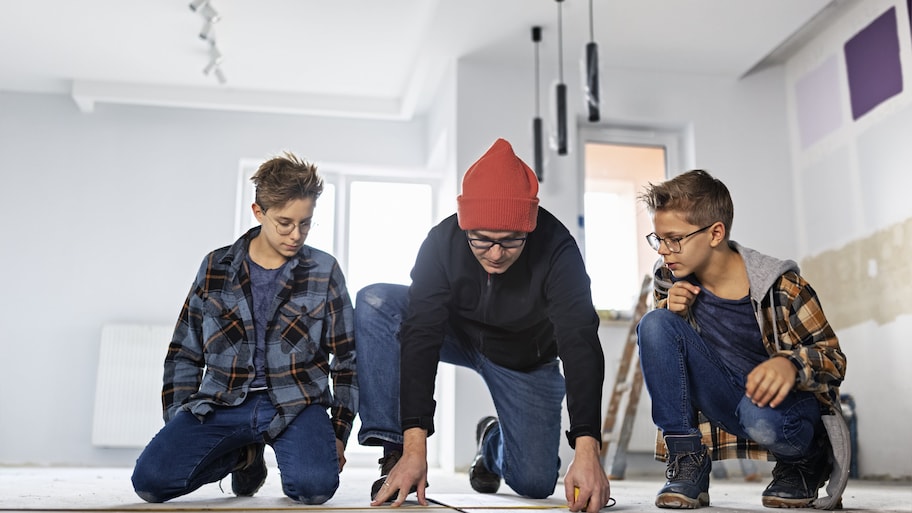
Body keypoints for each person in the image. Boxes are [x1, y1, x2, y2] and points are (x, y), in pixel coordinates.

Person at [355, 138, 612, 512]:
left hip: (526, 358)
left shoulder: (557, 248)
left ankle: (493, 441)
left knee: (535, 483)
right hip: (455, 334)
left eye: (510, 242)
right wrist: (414, 446)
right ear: (465, 226)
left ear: (528, 227)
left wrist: (588, 449)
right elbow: (421, 336)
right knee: (376, 301)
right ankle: (394, 453)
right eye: (482, 240)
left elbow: (579, 342)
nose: (495, 254)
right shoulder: (442, 242)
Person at [131, 152, 357, 505]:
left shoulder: (324, 270)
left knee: (314, 488)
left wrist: (339, 432)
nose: (295, 234)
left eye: (306, 223)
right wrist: (179, 422)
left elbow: (347, 360)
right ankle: (243, 456)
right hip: (222, 402)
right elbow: (184, 352)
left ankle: (260, 451)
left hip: (297, 403)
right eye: (284, 223)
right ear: (258, 212)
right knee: (150, 482)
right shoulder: (215, 267)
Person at [635, 169, 848, 509]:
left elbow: (834, 360)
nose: (663, 250)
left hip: (786, 413)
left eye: (673, 239)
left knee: (757, 413)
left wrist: (790, 365)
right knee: (655, 324)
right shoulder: (672, 281)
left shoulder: (783, 286)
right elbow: (668, 355)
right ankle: (688, 460)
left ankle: (805, 461)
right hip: (730, 399)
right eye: (658, 239)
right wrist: (670, 310)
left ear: (715, 232)